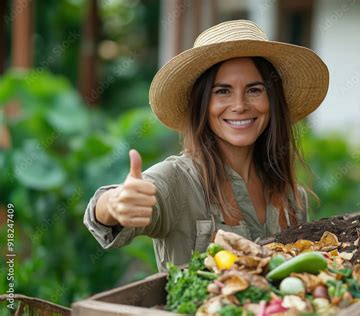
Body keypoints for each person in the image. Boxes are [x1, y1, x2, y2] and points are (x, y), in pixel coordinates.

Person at [84, 20, 329, 272]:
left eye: (254, 90)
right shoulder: (178, 181)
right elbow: (106, 210)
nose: (239, 105)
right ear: (201, 104)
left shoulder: (292, 197)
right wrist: (114, 204)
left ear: (272, 100)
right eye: (222, 91)